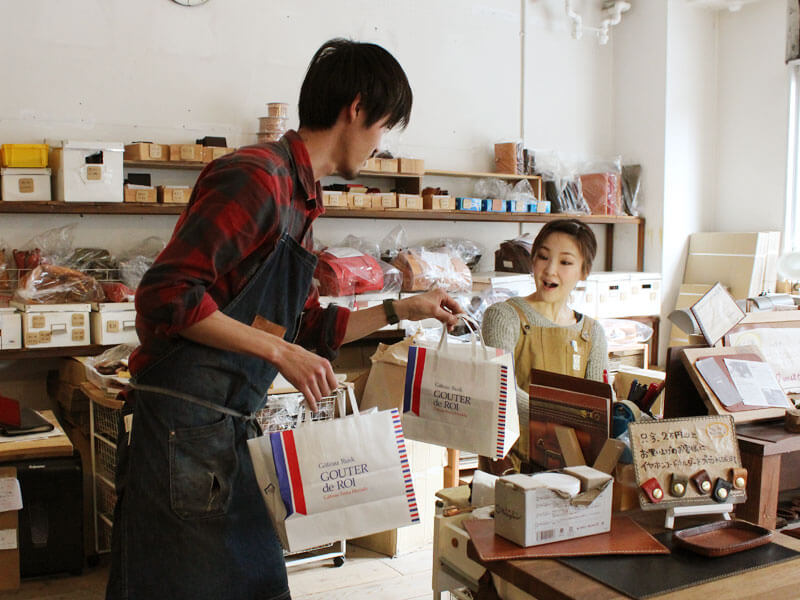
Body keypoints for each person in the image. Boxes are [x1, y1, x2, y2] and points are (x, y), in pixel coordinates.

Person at [106, 38, 461, 600]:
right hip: (185, 431)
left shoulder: (302, 197)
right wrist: (278, 352)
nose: (381, 145)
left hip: (221, 429)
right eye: (384, 127)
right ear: (357, 107)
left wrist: (402, 308)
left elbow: (309, 328)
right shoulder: (257, 177)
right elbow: (166, 294)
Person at [481, 218, 608, 472]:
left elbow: (597, 404)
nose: (550, 270)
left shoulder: (592, 333)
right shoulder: (505, 315)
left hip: (573, 468)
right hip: (512, 464)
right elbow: (502, 391)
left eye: (565, 262)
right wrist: (566, 419)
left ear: (584, 271)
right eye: (543, 257)